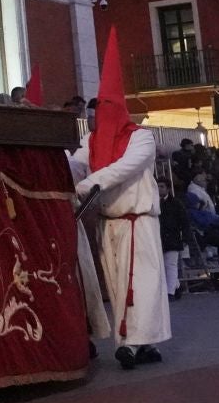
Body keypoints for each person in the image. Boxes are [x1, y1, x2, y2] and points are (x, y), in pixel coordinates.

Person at [70, 66, 171, 370]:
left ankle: (132, 344)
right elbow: (77, 164)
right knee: (116, 285)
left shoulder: (142, 138)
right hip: (108, 222)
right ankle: (140, 342)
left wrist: (87, 184)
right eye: (96, 111)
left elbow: (125, 167)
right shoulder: (91, 140)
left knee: (141, 282)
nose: (99, 116)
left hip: (138, 221)